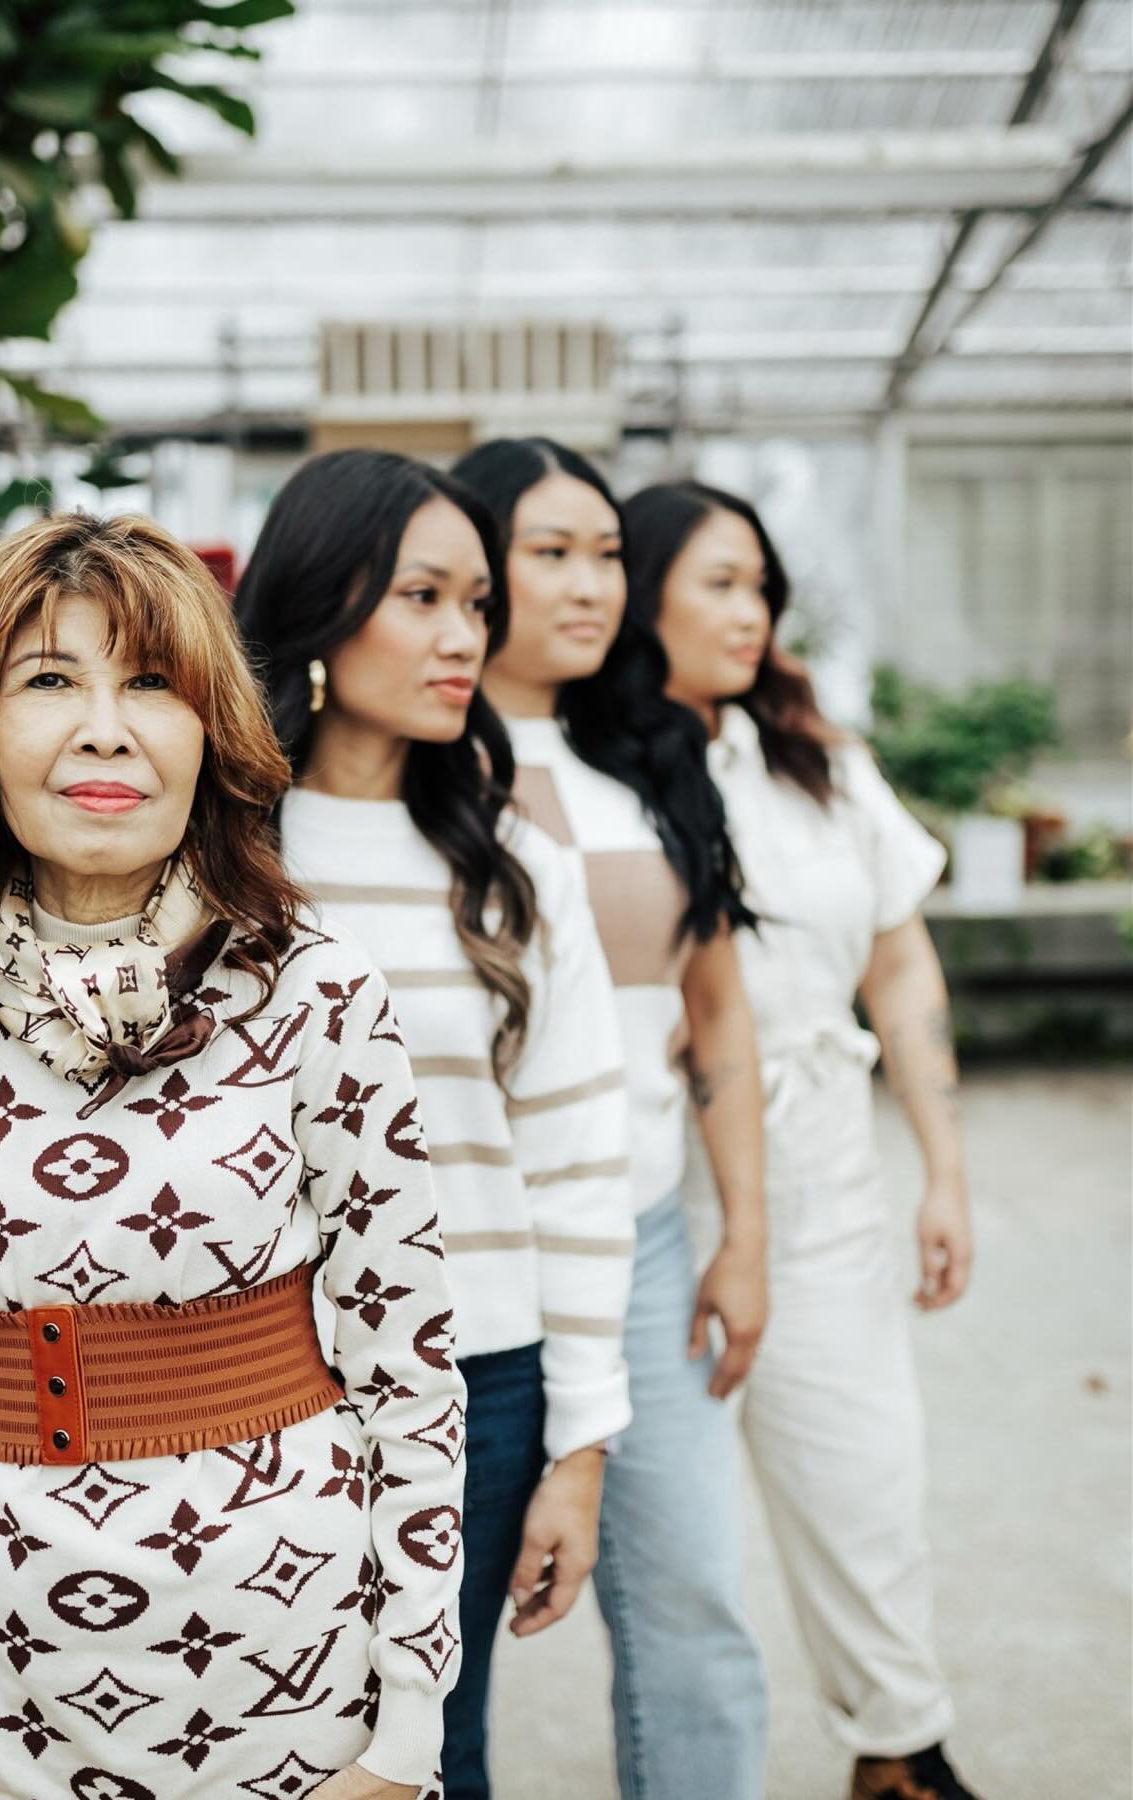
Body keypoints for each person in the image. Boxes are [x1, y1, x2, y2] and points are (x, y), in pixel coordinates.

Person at [0, 511, 467, 1800]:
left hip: (294, 1672)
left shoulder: (317, 993)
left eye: (152, 684)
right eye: (50, 681)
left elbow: (411, 1370)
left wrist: (405, 1734)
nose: (105, 727)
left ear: (212, 731)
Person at [235, 449, 634, 1800]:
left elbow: (579, 1171)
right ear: (322, 605)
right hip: (247, 1391)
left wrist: (576, 1458)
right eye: (422, 596)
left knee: (431, 1758)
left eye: (476, 601)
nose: (467, 634)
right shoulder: (219, 865)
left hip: (479, 1383)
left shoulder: (515, 873)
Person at [622, 479, 983, 1800]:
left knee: (866, 1478)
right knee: (678, 1555)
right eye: (717, 581)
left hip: (825, 1164)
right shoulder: (596, 768)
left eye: (761, 586)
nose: (751, 610)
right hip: (658, 1182)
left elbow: (900, 966)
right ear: (640, 588)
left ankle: (902, 1753)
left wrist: (943, 1172)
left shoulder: (811, 752)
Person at [454, 438, 770, 1800]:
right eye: (550, 553)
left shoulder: (651, 763)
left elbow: (721, 1020)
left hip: (637, 1244)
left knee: (698, 1606)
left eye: (606, 556)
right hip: (452, 1266)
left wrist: (741, 1231)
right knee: (430, 1648)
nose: (590, 586)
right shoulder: (403, 771)